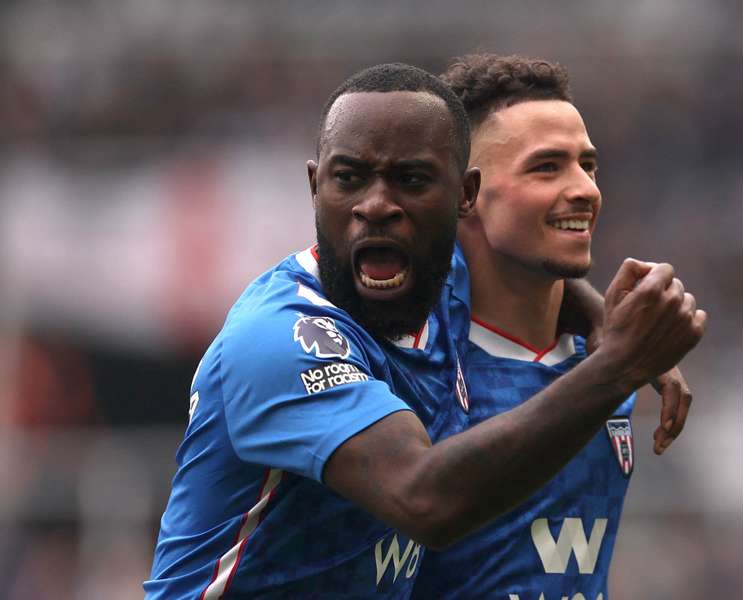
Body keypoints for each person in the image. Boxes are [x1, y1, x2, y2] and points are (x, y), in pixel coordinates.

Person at [145, 63, 705, 599]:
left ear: (462, 198)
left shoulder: (428, 287)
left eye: (411, 180)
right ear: (316, 186)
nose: (378, 206)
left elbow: (516, 273)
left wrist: (604, 319)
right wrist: (618, 366)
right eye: (349, 178)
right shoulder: (281, 339)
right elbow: (425, 498)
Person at [411, 54, 693, 600]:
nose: (585, 189)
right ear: (464, 194)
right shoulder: (409, 356)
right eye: (546, 167)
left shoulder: (607, 358)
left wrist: (621, 346)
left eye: (587, 165)